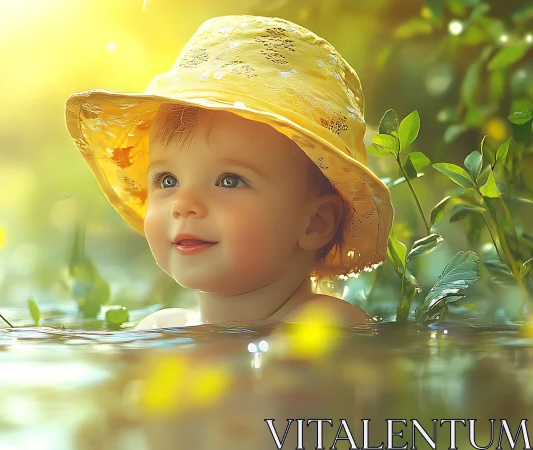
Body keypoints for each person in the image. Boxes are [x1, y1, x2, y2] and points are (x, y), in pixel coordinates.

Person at [63, 16, 394, 329]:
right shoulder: (161, 328)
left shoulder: (325, 323)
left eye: (229, 181)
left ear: (315, 222)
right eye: (168, 181)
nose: (183, 204)